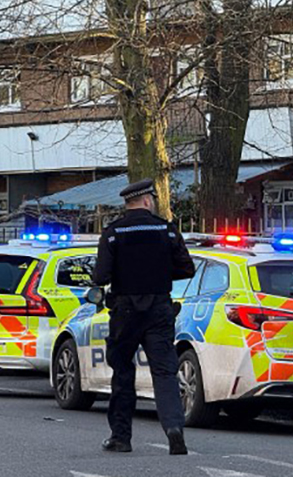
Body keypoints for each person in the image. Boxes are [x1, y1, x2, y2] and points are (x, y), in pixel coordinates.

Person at [93, 179, 196, 456]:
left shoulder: (113, 233)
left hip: (125, 311)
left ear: (129, 203)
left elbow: (100, 277)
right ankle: (175, 430)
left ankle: (121, 437)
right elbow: (187, 269)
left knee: (123, 371)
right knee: (164, 372)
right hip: (160, 309)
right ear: (148, 201)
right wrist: (160, 271)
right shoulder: (167, 230)